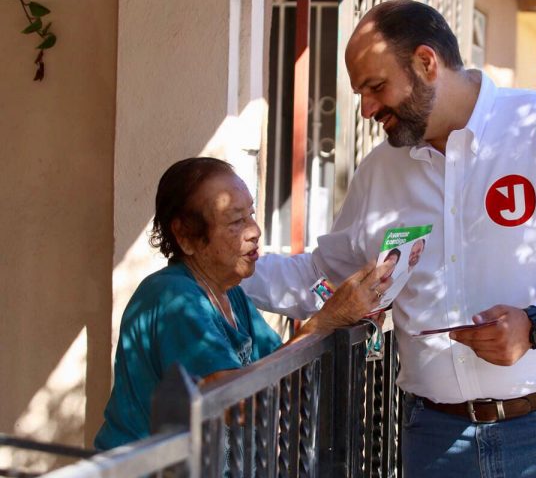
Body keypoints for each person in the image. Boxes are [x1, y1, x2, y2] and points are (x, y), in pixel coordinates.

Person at [242, 0, 536, 477]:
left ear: (426, 62)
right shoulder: (381, 172)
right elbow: (320, 278)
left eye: (376, 87)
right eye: (360, 93)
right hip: (439, 438)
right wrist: (220, 273)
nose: (366, 109)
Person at [94, 157, 393, 450]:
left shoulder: (230, 293)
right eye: (237, 221)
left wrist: (347, 326)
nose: (254, 230)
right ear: (186, 236)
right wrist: (324, 322)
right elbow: (237, 405)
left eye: (251, 214)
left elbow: (284, 381)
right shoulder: (172, 297)